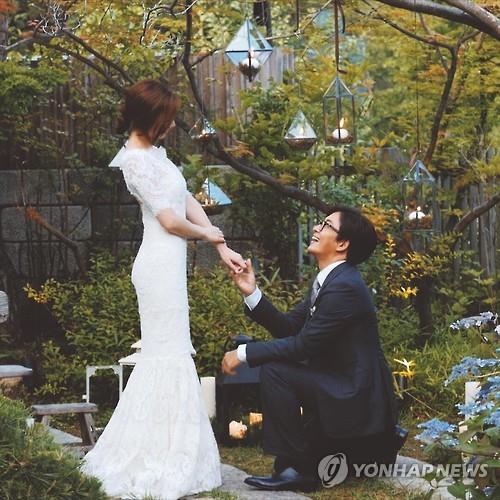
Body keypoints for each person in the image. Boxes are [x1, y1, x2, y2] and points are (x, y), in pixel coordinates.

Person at [82, 79, 246, 499]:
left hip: (170, 268)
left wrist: (221, 246)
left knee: (173, 353)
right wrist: (208, 237)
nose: (173, 126)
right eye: (167, 119)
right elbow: (170, 221)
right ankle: (155, 454)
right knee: (164, 355)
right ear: (149, 117)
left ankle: (173, 450)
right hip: (156, 268)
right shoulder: (134, 161)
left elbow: (185, 198)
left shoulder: (156, 154)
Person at [222, 206, 399, 491]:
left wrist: (243, 353)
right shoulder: (330, 281)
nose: (316, 228)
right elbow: (289, 328)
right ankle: (295, 465)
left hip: (354, 392)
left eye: (326, 225)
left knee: (276, 371)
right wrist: (251, 292)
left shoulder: (344, 287)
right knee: (277, 369)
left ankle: (297, 469)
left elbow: (303, 346)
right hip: (337, 381)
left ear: (342, 244)